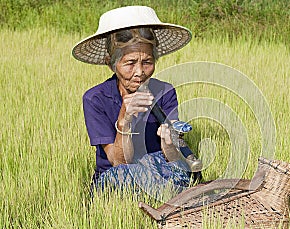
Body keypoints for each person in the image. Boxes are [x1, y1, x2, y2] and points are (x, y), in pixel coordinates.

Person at [72, 6, 197, 198]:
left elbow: (173, 161)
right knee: (125, 178)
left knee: (187, 176)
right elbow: (119, 162)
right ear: (111, 63)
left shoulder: (164, 92)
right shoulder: (95, 98)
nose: (139, 72)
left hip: (159, 169)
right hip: (117, 175)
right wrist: (125, 119)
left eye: (147, 62)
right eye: (130, 63)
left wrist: (169, 144)